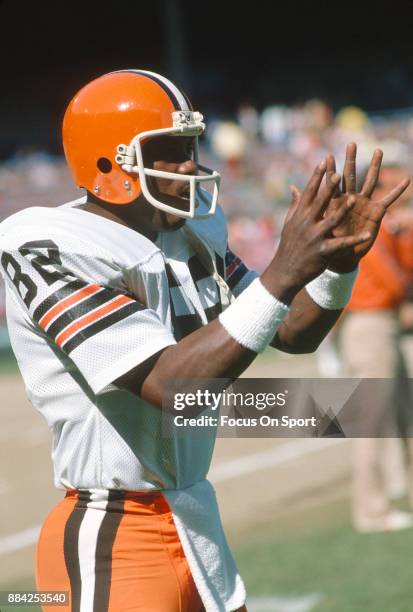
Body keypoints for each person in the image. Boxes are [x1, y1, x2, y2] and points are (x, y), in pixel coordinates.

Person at [0, 70, 408, 612]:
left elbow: (292, 333)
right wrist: (282, 272)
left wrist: (337, 266)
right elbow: (172, 384)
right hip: (114, 535)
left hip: (195, 524)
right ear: (109, 161)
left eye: (190, 145)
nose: (190, 163)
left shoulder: (189, 231)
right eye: (168, 149)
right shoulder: (51, 242)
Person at [340, 160, 413, 531]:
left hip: (378, 323)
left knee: (400, 412)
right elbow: (393, 278)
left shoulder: (389, 226)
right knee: (371, 421)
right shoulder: (373, 225)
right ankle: (371, 509)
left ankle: (394, 489)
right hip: (370, 324)